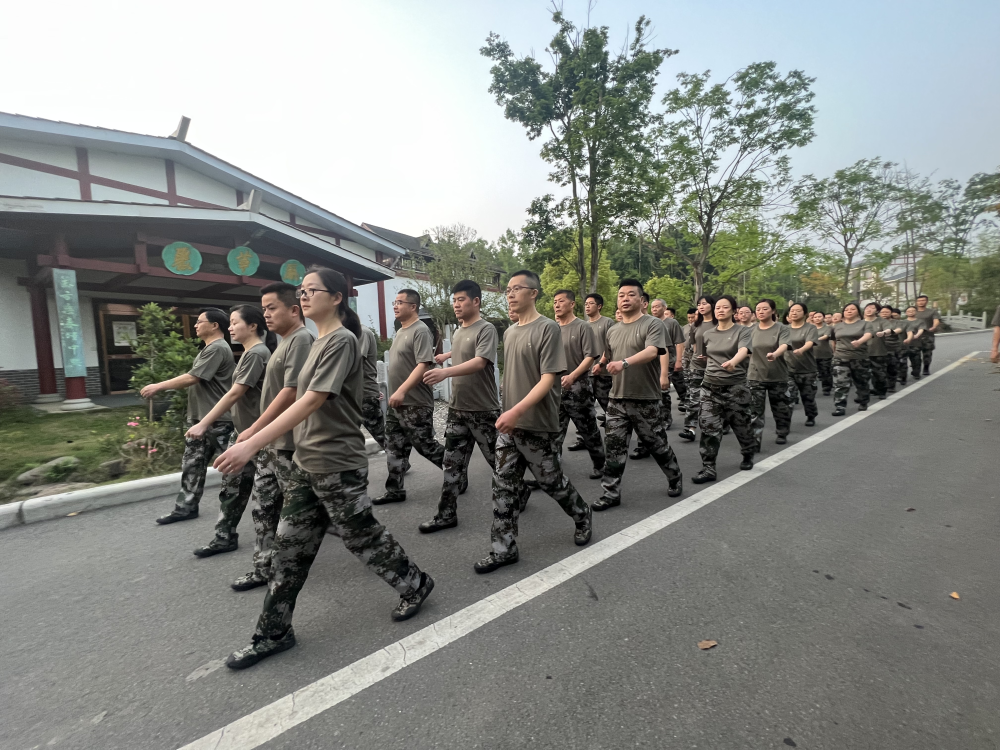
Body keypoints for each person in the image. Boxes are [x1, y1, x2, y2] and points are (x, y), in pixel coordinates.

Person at [214, 267, 434, 669]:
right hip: (305, 463)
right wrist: (253, 434)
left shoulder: (342, 340)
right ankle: (273, 634)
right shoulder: (316, 342)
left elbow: (312, 399)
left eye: (311, 290)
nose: (303, 296)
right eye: (301, 291)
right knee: (287, 553)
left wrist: (252, 443)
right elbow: (293, 395)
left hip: (337, 464)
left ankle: (415, 583)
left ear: (336, 298)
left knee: (362, 537)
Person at [475, 270, 592, 574]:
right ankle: (503, 549)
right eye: (508, 290)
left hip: (536, 423)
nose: (510, 294)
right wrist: (506, 407)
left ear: (533, 293)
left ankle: (582, 514)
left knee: (551, 482)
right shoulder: (510, 332)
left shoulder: (547, 328)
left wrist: (516, 411)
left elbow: (548, 379)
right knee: (503, 486)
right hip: (509, 425)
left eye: (517, 288)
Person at [228, 282, 314, 591]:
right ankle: (264, 568)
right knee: (263, 507)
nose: (265, 314)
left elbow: (292, 392)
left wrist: (255, 430)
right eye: (263, 308)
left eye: (272, 307)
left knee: (304, 512)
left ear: (294, 309)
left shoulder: (301, 339)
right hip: (271, 443)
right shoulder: (284, 342)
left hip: (288, 444)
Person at [188, 306, 275, 557]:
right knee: (232, 486)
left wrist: (204, 422)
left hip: (257, 436)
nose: (230, 328)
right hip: (243, 432)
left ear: (253, 326)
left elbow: (235, 393)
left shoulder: (257, 353)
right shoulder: (249, 352)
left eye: (235, 323)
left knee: (270, 493)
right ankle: (224, 536)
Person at [591, 279, 682, 510]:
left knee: (657, 445)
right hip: (616, 399)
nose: (625, 298)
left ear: (642, 301)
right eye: (621, 295)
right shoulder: (612, 330)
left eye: (631, 294)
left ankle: (674, 475)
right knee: (614, 448)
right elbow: (608, 354)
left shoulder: (653, 324)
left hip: (645, 398)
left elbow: (652, 351)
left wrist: (624, 363)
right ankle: (610, 492)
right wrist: (600, 364)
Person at [419, 280, 501, 532]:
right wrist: (447, 355)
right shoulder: (458, 331)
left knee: (498, 462)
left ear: (476, 301)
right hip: (457, 410)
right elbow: (464, 351)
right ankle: (446, 515)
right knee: (451, 464)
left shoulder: (486, 329)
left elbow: (479, 361)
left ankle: (519, 492)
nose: (456, 304)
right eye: (454, 300)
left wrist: (445, 372)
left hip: (483, 410)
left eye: (461, 299)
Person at [143, 308, 236, 525]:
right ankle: (185, 507)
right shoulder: (209, 348)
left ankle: (268, 502)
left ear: (215, 325)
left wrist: (158, 386)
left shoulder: (218, 348)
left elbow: (193, 377)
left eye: (199, 321)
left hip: (219, 421)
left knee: (239, 467)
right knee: (192, 464)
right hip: (200, 420)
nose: (195, 325)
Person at [374, 289, 445, 504]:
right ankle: (395, 490)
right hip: (397, 403)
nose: (395, 306)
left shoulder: (420, 330)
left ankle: (456, 472)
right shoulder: (400, 331)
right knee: (394, 446)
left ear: (413, 307)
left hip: (415, 402)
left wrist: (402, 390)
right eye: (394, 302)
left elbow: (424, 364)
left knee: (425, 445)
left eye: (400, 302)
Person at [692, 295, 756, 483]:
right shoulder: (708, 334)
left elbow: (744, 350)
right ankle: (708, 468)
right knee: (708, 428)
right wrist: (703, 360)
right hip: (710, 387)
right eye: (717, 307)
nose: (720, 310)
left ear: (734, 311)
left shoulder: (742, 331)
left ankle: (748, 452)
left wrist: (733, 362)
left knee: (741, 425)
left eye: (725, 307)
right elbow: (707, 355)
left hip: (735, 387)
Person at [552, 289, 605, 479]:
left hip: (578, 388)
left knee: (588, 430)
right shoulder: (553, 329)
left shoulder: (583, 327)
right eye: (555, 302)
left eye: (561, 301)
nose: (557, 305)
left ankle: (601, 465)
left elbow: (590, 356)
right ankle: (550, 472)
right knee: (553, 432)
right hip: (556, 389)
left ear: (572, 304)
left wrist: (572, 376)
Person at [747, 299, 791, 448]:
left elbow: (784, 345)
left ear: (773, 311)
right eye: (758, 309)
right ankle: (755, 439)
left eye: (765, 309)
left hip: (777, 375)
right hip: (755, 375)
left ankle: (782, 432)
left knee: (780, 408)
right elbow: (744, 349)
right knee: (755, 410)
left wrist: (775, 354)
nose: (760, 311)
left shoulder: (782, 328)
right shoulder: (751, 330)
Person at [678, 296, 716, 442]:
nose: (701, 306)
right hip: (696, 366)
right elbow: (694, 345)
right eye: (699, 304)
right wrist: (696, 356)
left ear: (712, 305)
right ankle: (690, 428)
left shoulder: (719, 324)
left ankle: (718, 425)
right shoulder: (695, 325)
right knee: (694, 398)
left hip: (716, 367)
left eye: (704, 304)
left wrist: (710, 357)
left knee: (714, 399)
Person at [830, 301, 875, 416]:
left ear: (858, 312)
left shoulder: (865, 324)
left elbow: (868, 334)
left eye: (852, 309)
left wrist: (859, 341)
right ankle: (840, 406)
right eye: (846, 310)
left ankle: (863, 401)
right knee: (840, 383)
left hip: (859, 358)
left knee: (861, 382)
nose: (849, 311)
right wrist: (834, 352)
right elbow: (833, 340)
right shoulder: (837, 326)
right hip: (840, 358)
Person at [650, 298, 686, 431]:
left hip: (668, 360)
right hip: (653, 362)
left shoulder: (672, 323)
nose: (654, 309)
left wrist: (679, 360)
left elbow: (679, 342)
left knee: (663, 391)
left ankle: (666, 418)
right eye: (652, 307)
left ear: (664, 308)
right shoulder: (650, 322)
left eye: (657, 306)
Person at [784, 303, 819, 428]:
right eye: (792, 310)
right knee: (788, 397)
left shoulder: (810, 328)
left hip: (807, 369)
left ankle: (811, 415)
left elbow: (810, 342)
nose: (794, 313)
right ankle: (784, 423)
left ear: (805, 313)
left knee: (808, 397)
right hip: (787, 369)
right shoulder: (784, 329)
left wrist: (802, 349)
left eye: (798, 310)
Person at [584, 293, 615, 428]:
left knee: (607, 404)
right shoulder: (584, 325)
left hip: (603, 372)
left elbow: (610, 346)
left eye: (591, 303)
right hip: (587, 373)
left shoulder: (607, 322)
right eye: (586, 304)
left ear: (599, 306)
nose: (587, 306)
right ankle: (584, 435)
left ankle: (616, 429)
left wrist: (601, 363)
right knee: (585, 407)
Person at [358, 325, 385, 448]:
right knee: (345, 439)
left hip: (364, 394)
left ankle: (398, 459)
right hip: (353, 395)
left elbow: (355, 363)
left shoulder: (361, 332)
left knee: (382, 437)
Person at [863, 303, 891, 400]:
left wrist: (883, 332)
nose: (869, 310)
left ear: (877, 311)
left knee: (879, 373)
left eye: (872, 308)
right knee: (862, 374)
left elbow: (888, 330)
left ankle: (881, 391)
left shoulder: (881, 321)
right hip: (862, 353)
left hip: (878, 352)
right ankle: (863, 394)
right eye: (867, 308)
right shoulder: (860, 323)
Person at [877, 304, 906, 395]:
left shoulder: (896, 322)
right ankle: (879, 387)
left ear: (891, 313)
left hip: (892, 347)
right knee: (878, 369)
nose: (884, 313)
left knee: (892, 367)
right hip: (878, 347)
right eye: (882, 312)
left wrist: (889, 332)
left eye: (887, 312)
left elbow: (899, 330)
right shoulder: (876, 321)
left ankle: (891, 386)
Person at [913, 295, 941, 376]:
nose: (921, 302)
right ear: (916, 302)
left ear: (926, 301)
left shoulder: (932, 312)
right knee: (915, 354)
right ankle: (916, 370)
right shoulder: (913, 311)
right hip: (915, 336)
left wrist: (934, 326)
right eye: (919, 301)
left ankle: (926, 368)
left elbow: (936, 320)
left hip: (927, 335)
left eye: (923, 300)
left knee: (927, 353)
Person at [900, 306, 926, 383]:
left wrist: (917, 335)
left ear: (916, 312)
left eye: (913, 310)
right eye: (909, 311)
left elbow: (921, 329)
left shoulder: (920, 321)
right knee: (902, 361)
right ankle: (902, 377)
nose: (911, 312)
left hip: (916, 344)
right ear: (906, 313)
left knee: (916, 360)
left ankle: (916, 373)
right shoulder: (902, 322)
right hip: (904, 344)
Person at [811, 311, 834, 396]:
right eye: (815, 317)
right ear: (813, 319)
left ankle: (826, 388)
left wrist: (814, 340)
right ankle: (811, 389)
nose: (817, 318)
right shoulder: (810, 328)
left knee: (825, 372)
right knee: (812, 373)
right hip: (812, 354)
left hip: (825, 354)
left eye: (819, 316)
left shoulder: (828, 328)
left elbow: (826, 336)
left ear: (823, 318)